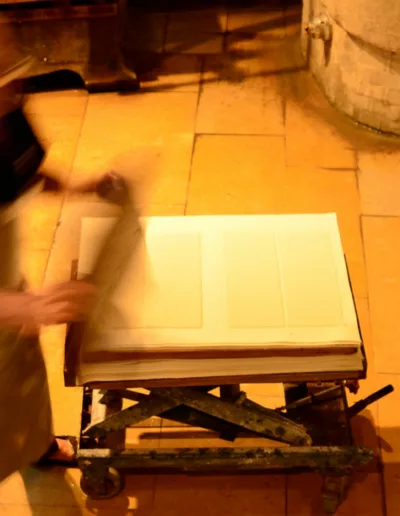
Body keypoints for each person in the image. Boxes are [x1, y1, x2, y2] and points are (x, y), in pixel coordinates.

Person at [0, 19, 112, 483]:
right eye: (7, 82)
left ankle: (36, 442)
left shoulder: (7, 114)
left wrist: (80, 186)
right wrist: (25, 307)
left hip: (6, 283)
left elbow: (25, 171)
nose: (18, 92)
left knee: (21, 369)